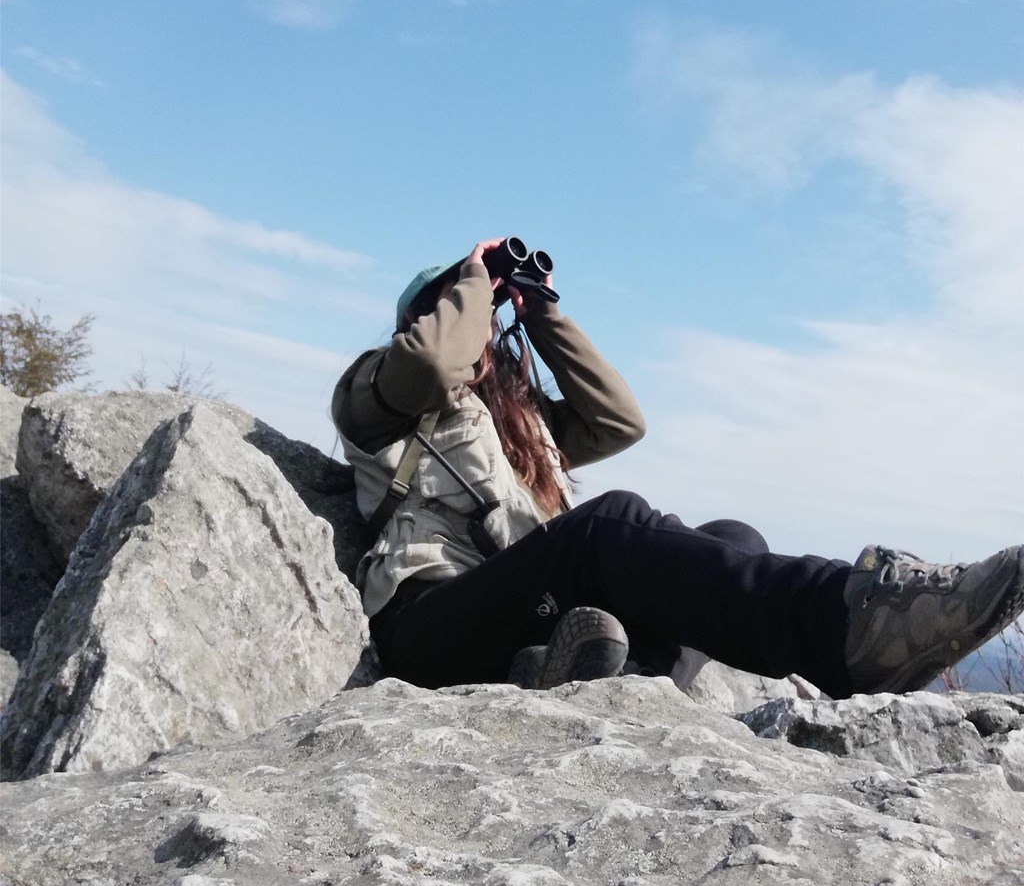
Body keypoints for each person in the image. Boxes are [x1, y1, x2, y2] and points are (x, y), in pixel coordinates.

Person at [332, 238, 1024, 698]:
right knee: (608, 523)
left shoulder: (524, 422)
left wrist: (540, 312)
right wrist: (477, 275)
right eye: (465, 306)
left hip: (523, 620)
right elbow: (429, 362)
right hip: (432, 628)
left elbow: (619, 419)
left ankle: (587, 677)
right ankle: (853, 620)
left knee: (735, 536)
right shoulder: (378, 399)